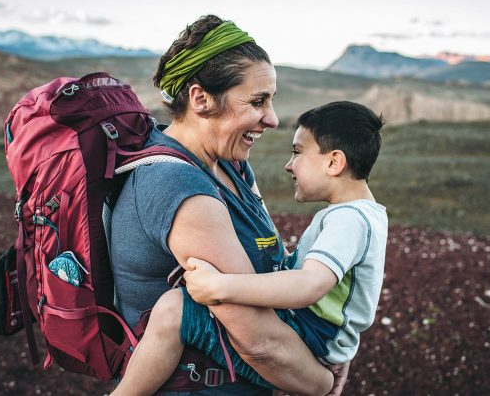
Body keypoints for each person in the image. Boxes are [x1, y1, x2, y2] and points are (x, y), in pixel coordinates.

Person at [109, 15, 345, 396]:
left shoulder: (229, 165)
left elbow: (269, 271)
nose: (272, 119)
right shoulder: (180, 188)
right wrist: (323, 382)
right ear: (200, 99)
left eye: (270, 100)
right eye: (257, 101)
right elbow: (259, 342)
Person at [115, 101, 387, 394]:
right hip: (317, 334)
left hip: (310, 335)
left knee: (173, 310)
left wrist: (219, 286)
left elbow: (309, 285)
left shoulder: (350, 219)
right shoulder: (360, 215)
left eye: (297, 153)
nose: (288, 165)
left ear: (334, 162)